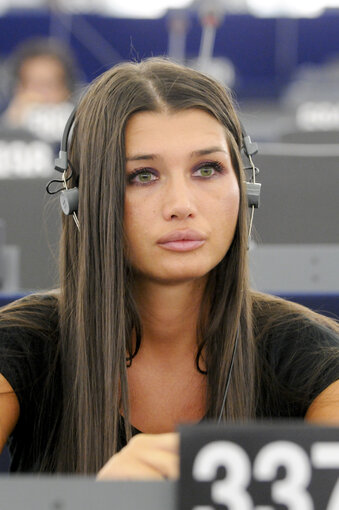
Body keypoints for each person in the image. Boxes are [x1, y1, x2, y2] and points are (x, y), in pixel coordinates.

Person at [0, 57, 338, 478]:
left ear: (245, 188)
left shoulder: (312, 353)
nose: (182, 205)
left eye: (207, 169)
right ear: (82, 201)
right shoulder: (20, 344)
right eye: (142, 175)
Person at [1, 37, 77, 132]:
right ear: (18, 88)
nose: (41, 95)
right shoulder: (10, 119)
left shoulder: (77, 123)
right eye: (34, 85)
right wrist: (13, 119)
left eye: (49, 85)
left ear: (67, 90)